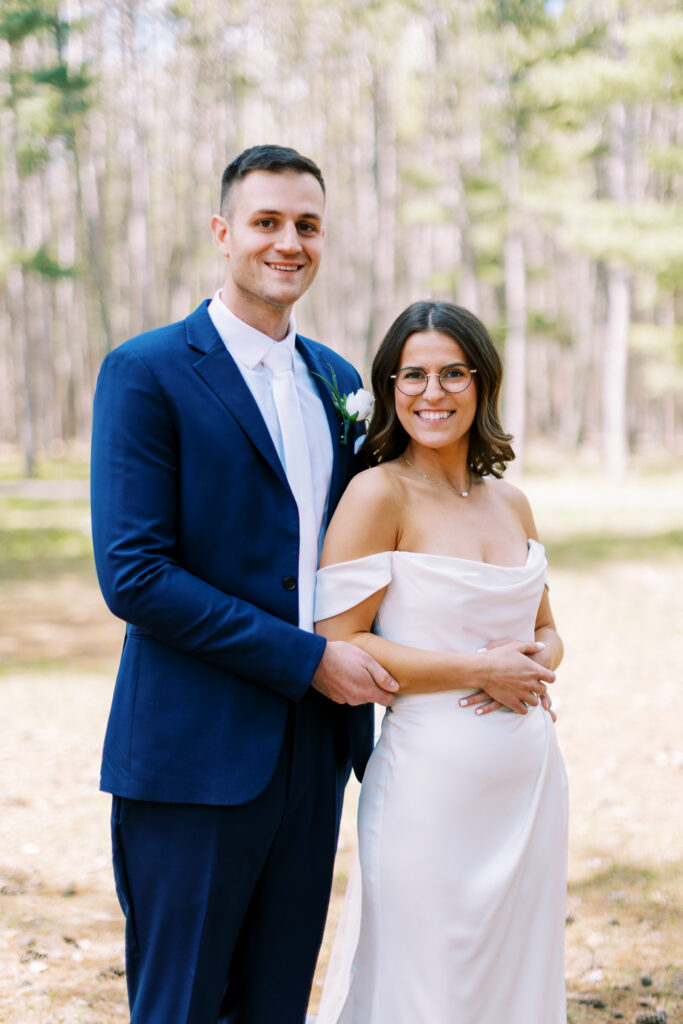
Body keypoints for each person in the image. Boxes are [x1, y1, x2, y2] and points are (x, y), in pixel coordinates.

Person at [90, 144, 399, 1024]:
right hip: (193, 757)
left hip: (316, 753)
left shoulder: (338, 381)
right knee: (181, 1005)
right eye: (266, 222)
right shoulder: (146, 371)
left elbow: (369, 558)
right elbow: (135, 575)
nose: (287, 242)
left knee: (275, 1005)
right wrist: (307, 660)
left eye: (306, 225)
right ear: (224, 233)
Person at [314, 301, 568, 1024]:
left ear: (481, 382)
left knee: (513, 987)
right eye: (414, 375)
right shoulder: (378, 493)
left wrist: (537, 661)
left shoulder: (510, 501)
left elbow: (547, 629)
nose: (433, 393)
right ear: (391, 387)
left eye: (452, 373)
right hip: (428, 791)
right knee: (425, 989)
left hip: (529, 790)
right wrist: (480, 669)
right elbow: (340, 642)